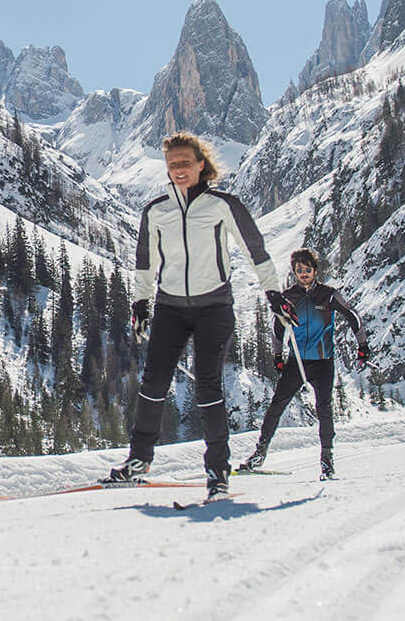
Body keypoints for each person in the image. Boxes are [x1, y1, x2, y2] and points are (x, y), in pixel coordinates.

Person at [104, 132, 285, 502]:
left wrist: (273, 292)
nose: (178, 170)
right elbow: (145, 261)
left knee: (207, 386)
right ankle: (138, 462)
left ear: (201, 164)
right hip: (170, 307)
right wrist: (141, 302)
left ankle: (218, 472)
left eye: (185, 163)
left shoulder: (223, 205)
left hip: (214, 307)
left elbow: (255, 248)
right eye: (172, 164)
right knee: (153, 383)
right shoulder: (156, 210)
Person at [236, 249, 367, 480]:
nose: (303, 274)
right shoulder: (288, 298)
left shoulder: (329, 295)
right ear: (295, 272)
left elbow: (353, 316)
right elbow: (278, 329)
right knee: (277, 405)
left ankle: (327, 460)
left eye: (307, 270)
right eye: (299, 270)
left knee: (324, 410)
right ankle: (259, 453)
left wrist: (362, 345)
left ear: (315, 270)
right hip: (297, 362)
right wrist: (277, 356)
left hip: (323, 362)